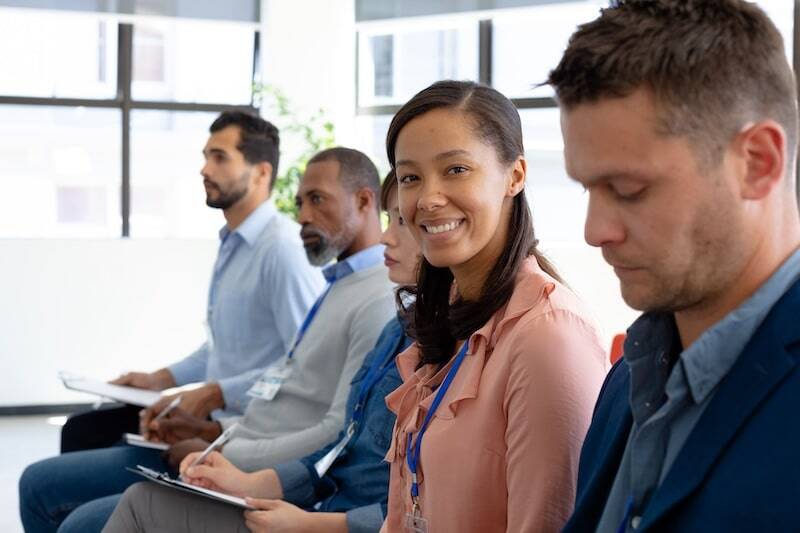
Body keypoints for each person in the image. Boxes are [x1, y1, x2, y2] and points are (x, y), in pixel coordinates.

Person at [19, 147, 396, 533]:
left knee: (74, 510)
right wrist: (204, 426)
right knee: (68, 463)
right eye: (300, 202)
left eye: (317, 200)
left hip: (256, 462)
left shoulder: (373, 296)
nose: (302, 216)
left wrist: (218, 440)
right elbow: (282, 378)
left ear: (365, 201)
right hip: (233, 438)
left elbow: (336, 432)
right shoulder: (337, 283)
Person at [546, 1, 800, 531]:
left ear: (758, 163)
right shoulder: (628, 375)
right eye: (588, 188)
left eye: (628, 190)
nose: (596, 231)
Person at [103, 171, 421, 533]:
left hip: (309, 499)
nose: (386, 237)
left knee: (121, 502)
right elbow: (341, 440)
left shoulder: (359, 292)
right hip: (275, 466)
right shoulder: (391, 325)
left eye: (403, 221)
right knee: (123, 478)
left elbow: (418, 505)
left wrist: (224, 444)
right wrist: (238, 466)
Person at [381, 80, 608, 533]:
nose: (427, 199)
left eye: (456, 169)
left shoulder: (547, 335)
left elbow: (544, 523)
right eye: (411, 178)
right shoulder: (456, 315)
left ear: (515, 176)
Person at [60, 110, 325, 453]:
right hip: (213, 415)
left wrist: (216, 392)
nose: (205, 169)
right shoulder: (234, 243)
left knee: (71, 452)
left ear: (261, 173)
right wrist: (160, 379)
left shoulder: (282, 250)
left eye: (220, 158)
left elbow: (303, 363)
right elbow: (224, 348)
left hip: (246, 430)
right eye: (205, 157)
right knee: (83, 429)